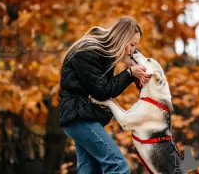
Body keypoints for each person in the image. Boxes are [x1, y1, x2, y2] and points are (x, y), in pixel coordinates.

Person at [59, 17, 151, 174]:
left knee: (89, 170)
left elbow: (102, 89)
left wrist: (136, 64)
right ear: (121, 39)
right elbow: (102, 92)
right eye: (132, 44)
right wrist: (129, 73)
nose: (132, 50)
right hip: (78, 116)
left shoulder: (102, 54)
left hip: (80, 117)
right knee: (118, 166)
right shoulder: (89, 52)